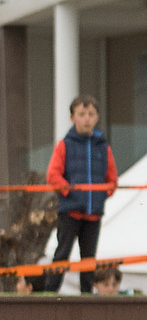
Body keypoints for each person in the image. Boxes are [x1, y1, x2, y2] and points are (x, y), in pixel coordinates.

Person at [37, 96, 116, 295]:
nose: (86, 119)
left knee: (88, 258)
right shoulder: (65, 145)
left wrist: (101, 195)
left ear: (97, 117)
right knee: (62, 254)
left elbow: (112, 179)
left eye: (90, 114)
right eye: (81, 114)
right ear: (72, 118)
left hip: (94, 213)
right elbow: (53, 175)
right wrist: (70, 192)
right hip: (70, 212)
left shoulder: (103, 147)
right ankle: (50, 293)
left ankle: (87, 295)